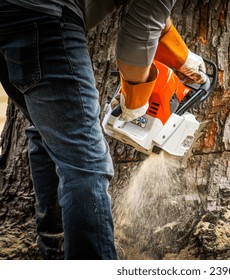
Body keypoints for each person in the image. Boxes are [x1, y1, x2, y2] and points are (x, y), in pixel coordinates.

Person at [0, 0, 206, 260]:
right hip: (44, 19)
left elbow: (150, 15)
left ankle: (54, 253)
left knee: (47, 133)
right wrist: (135, 101)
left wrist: (181, 57)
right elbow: (137, 37)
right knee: (86, 163)